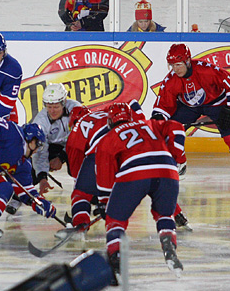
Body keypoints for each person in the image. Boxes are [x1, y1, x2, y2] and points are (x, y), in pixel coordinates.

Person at [58, 102, 191, 240]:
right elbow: (134, 106)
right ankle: (177, 214)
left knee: (81, 194)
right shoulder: (106, 113)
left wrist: (95, 196)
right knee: (151, 181)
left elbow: (76, 171)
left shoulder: (78, 127)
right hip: (133, 153)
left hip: (102, 154)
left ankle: (80, 226)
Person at [95, 102, 186, 281]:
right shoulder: (149, 123)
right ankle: (169, 247)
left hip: (135, 172)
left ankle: (116, 260)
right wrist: (176, 156)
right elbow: (177, 128)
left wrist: (104, 202)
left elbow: (105, 172)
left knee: (115, 220)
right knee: (165, 215)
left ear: (110, 121)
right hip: (167, 170)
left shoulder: (109, 137)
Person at [151, 43, 230, 183]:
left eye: (178, 64)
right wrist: (159, 117)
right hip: (189, 107)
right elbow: (164, 103)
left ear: (187, 61)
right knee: (168, 130)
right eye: (172, 65)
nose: (175, 69)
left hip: (216, 103)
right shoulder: (171, 80)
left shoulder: (207, 70)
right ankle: (180, 164)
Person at [30, 83, 82, 195]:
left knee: (77, 166)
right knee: (30, 169)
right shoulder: (40, 121)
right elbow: (40, 150)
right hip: (53, 145)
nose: (52, 111)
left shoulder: (76, 109)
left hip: (75, 144)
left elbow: (81, 139)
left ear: (64, 103)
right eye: (49, 107)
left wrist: (61, 157)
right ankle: (15, 198)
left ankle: (88, 193)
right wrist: (42, 177)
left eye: (56, 107)